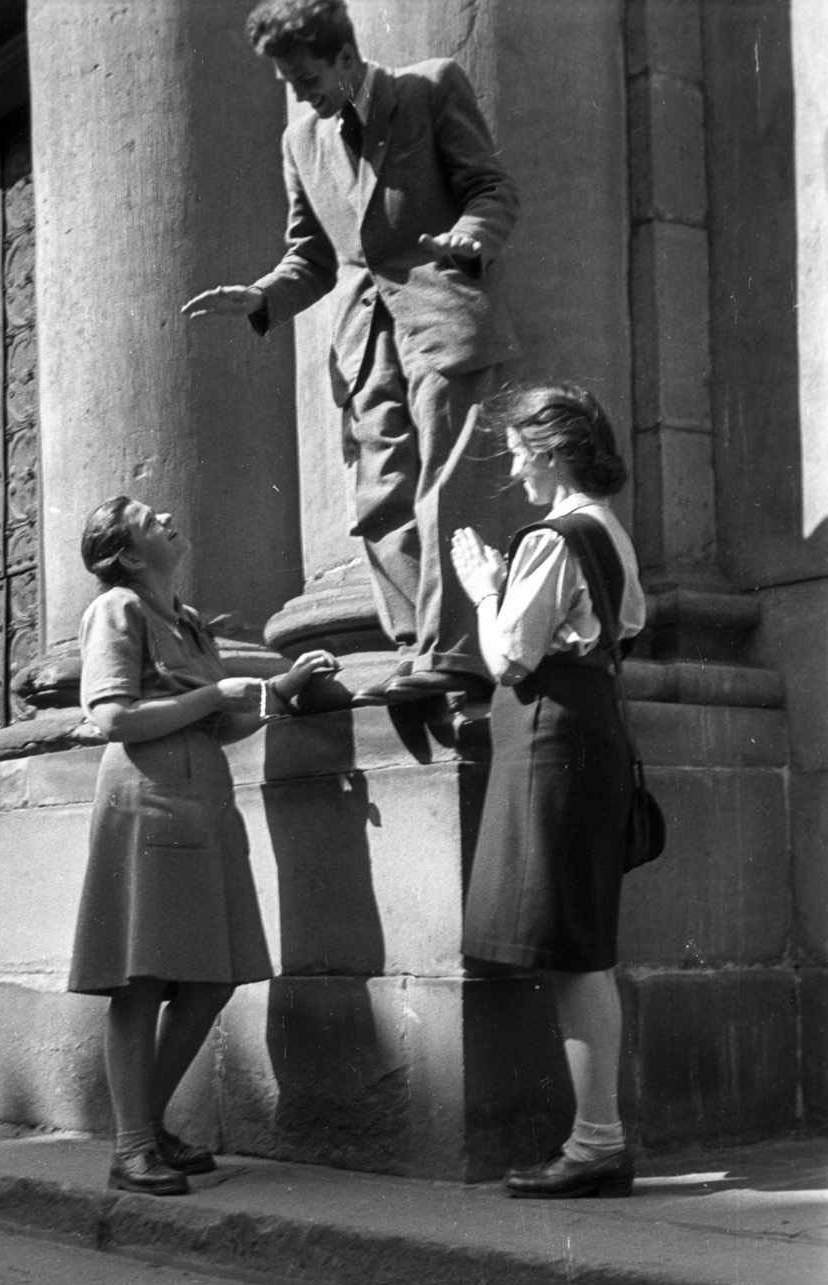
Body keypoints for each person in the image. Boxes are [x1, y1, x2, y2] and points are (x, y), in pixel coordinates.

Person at [182, 0, 519, 702]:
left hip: (443, 316)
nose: (300, 95)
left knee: (448, 489)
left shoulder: (429, 87)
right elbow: (312, 256)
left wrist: (472, 236)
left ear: (344, 55)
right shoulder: (301, 141)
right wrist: (262, 297)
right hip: (366, 342)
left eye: (306, 78)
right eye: (287, 84)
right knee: (379, 501)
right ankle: (410, 647)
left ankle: (453, 654)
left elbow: (490, 189)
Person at [67, 496, 335, 1195]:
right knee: (141, 979)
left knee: (211, 978)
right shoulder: (117, 609)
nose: (164, 516)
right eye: (145, 517)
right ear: (126, 555)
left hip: (200, 801)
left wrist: (279, 692)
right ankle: (133, 1148)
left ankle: (144, 1130)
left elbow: (215, 723)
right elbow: (112, 717)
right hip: (147, 800)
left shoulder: (184, 619)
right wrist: (215, 695)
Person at [450, 385, 646, 1198]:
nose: (513, 464)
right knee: (580, 943)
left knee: (571, 950)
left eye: (519, 449)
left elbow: (512, 660)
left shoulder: (551, 538)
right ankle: (597, 1136)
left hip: (554, 738)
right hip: (590, 732)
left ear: (552, 449)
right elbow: (625, 625)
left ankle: (597, 1141)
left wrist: (483, 587)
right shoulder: (611, 533)